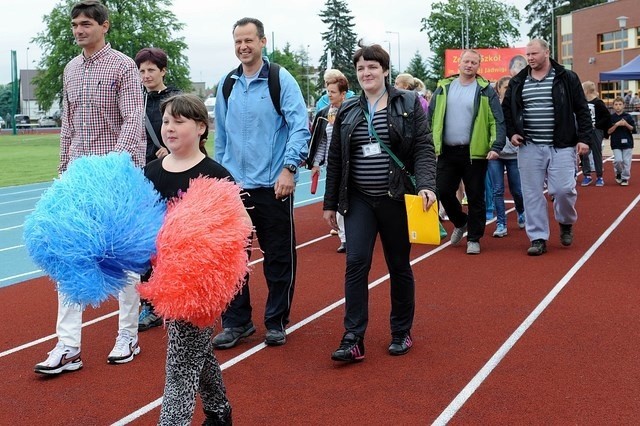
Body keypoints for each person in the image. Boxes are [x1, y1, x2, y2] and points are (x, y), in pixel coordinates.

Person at [34, 0, 145, 375]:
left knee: (123, 258)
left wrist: (113, 165)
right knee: (69, 256)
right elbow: (68, 125)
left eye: (85, 24)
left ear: (104, 26)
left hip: (116, 176)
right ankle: (68, 346)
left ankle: (127, 335)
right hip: (78, 180)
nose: (79, 30)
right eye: (74, 25)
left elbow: (133, 118)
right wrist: (64, 170)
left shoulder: (124, 67)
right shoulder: (70, 69)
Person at [323, 42, 437, 362]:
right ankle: (353, 337)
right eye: (360, 68)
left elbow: (424, 149)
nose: (366, 73)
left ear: (385, 71)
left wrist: (427, 186)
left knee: (398, 264)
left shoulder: (408, 103)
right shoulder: (347, 110)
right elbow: (336, 160)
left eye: (372, 67)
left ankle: (401, 331)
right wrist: (330, 203)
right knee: (356, 262)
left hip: (396, 198)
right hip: (359, 200)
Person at [212, 17, 310, 348]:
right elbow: (221, 137)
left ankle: (275, 320)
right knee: (232, 259)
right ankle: (237, 322)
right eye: (238, 41)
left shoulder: (280, 80)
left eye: (249, 40)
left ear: (263, 41)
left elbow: (299, 126)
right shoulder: (227, 84)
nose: (243, 47)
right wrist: (220, 179)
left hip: (273, 185)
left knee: (278, 256)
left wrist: (289, 168)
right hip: (234, 187)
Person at [144, 94, 238, 425]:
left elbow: (236, 233)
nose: (169, 127)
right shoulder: (151, 172)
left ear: (200, 127)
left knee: (180, 365)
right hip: (161, 280)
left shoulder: (215, 175)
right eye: (166, 120)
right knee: (196, 349)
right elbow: (138, 226)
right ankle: (219, 411)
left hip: (200, 286)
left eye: (178, 121)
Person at [502, 39, 592, 256]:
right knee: (532, 194)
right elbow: (507, 111)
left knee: (563, 190)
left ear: (547, 52)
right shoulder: (518, 81)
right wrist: (512, 132)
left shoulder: (566, 77)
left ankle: (565, 221)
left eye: (534, 53)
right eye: (528, 55)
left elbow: (582, 109)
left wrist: (584, 138)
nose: (530, 58)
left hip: (562, 145)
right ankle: (538, 237)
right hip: (529, 146)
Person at [428, 49, 505, 255]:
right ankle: (461, 221)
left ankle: (474, 238)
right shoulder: (444, 88)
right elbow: (431, 117)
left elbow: (496, 119)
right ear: (459, 63)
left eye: (474, 62)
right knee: (443, 190)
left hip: (474, 153)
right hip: (447, 151)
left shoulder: (485, 90)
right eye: (466, 61)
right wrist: (430, 144)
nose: (469, 65)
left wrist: (496, 145)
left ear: (478, 66)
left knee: (475, 195)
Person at [134, 47, 181, 332]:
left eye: (151, 69)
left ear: (163, 70)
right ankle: (149, 304)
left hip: (170, 175)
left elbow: (193, 135)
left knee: (171, 240)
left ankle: (175, 295)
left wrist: (172, 149)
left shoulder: (175, 99)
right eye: (141, 71)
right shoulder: (133, 100)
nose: (146, 75)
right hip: (141, 178)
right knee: (146, 243)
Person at [308, 74, 349, 252]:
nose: (329, 95)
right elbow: (321, 141)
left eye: (333, 92)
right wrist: (316, 163)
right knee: (337, 200)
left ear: (343, 94)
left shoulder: (352, 112)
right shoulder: (324, 114)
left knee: (352, 199)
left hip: (351, 163)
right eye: (328, 92)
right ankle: (345, 238)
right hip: (333, 165)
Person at [488, 76, 525, 238]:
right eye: (506, 87)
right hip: (496, 154)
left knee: (517, 190)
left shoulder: (519, 107)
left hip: (514, 155)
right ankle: (501, 223)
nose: (509, 90)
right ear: (499, 89)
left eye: (512, 87)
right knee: (497, 190)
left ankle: (521, 211)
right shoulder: (492, 107)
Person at [579, 81, 609, 187]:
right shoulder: (582, 102)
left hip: (596, 131)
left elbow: (606, 116)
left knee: (596, 153)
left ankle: (599, 176)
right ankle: (587, 175)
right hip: (585, 131)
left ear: (586, 90)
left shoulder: (598, 102)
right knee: (583, 153)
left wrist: (597, 125)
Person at [608, 97, 636, 186]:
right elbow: (608, 131)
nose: (618, 107)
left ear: (624, 106)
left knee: (626, 161)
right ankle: (618, 173)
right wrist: (616, 125)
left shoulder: (628, 116)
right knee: (618, 160)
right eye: (616, 104)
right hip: (616, 143)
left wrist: (626, 124)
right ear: (613, 106)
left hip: (628, 143)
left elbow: (633, 129)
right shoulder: (611, 118)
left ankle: (625, 178)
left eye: (620, 104)